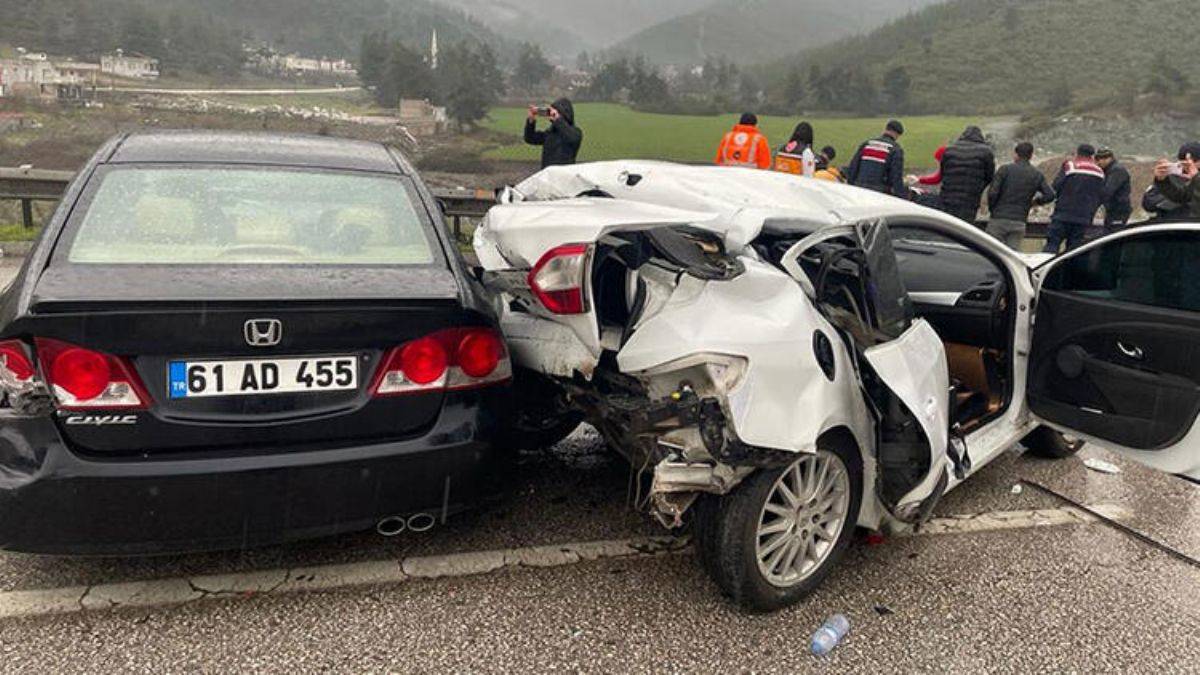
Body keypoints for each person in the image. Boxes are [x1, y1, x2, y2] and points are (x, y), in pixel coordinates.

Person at [986, 142, 1056, 250]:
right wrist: (1034, 202)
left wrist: (993, 209)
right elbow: (1050, 195)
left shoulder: (1005, 170)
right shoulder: (1036, 174)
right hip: (1019, 221)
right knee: (1011, 255)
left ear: (1015, 154)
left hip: (998, 218)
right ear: (1031, 156)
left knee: (991, 252)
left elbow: (992, 193)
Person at [1044, 144, 1107, 254]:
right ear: (1092, 155)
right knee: (1073, 251)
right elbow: (1101, 194)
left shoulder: (1070, 166)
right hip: (1084, 217)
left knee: (1052, 245)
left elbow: (1056, 185)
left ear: (1078, 152)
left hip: (1063, 214)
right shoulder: (1099, 172)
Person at [938, 126, 996, 225]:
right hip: (970, 197)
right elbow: (990, 176)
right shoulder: (986, 152)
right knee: (964, 227)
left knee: (947, 226)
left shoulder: (949, 150)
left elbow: (943, 172)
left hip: (948, 196)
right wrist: (979, 187)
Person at [1143, 142, 1200, 222]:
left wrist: (1196, 177)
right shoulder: (1175, 177)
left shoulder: (1196, 178)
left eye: (1194, 162)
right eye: (1184, 163)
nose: (1188, 167)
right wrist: (1162, 180)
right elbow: (1181, 197)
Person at [847, 119, 906, 196]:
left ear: (886, 129)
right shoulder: (895, 149)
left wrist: (851, 186)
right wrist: (900, 195)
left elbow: (853, 168)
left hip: (859, 189)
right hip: (879, 193)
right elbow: (896, 177)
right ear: (897, 134)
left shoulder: (867, 144)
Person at [524, 98, 583, 169]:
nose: (551, 115)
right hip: (548, 174)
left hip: (565, 174)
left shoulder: (575, 132)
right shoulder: (550, 133)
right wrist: (531, 121)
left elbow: (572, 138)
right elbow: (530, 138)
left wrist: (558, 119)